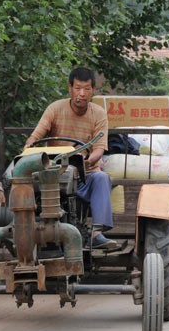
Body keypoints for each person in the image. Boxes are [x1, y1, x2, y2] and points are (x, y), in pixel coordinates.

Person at [23, 66, 117, 249]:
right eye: (77, 88)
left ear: (93, 90)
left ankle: (97, 234)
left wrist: (91, 160)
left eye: (86, 89)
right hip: (53, 173)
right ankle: (25, 230)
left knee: (101, 178)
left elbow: (99, 148)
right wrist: (29, 144)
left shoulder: (98, 113)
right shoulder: (55, 109)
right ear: (70, 88)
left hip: (84, 174)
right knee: (22, 181)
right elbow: (36, 136)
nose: (81, 94)